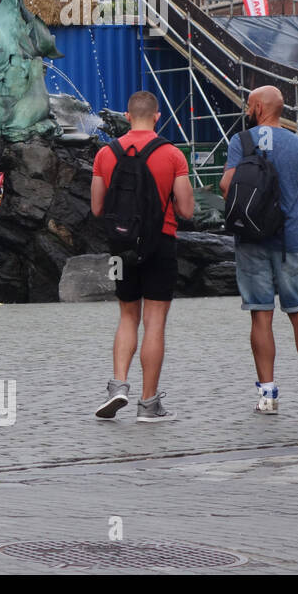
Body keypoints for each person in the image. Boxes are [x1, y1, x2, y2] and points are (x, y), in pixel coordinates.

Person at [91, 91, 193, 422]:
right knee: (155, 321)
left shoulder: (105, 154)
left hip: (121, 247)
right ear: (158, 116)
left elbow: (96, 207)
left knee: (127, 317)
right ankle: (149, 405)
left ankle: (118, 385)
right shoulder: (172, 154)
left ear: (126, 115)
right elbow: (187, 210)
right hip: (160, 244)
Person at [219, 85, 298, 415]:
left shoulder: (240, 142)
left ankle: (268, 394)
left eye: (249, 105)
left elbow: (225, 186)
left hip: (251, 240)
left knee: (261, 315)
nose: (246, 110)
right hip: (291, 242)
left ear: (259, 107)